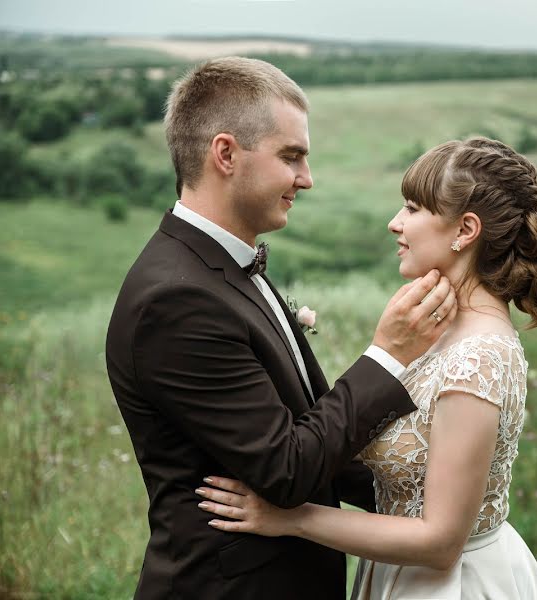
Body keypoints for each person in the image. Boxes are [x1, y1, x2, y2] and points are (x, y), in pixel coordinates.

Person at [105, 56, 458, 599]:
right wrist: (388, 354)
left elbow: (312, 424)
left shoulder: (226, 265)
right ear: (225, 154)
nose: (307, 179)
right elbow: (288, 470)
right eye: (291, 157)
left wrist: (428, 503)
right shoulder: (174, 301)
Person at [196, 136, 537, 599]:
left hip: (453, 584)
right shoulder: (432, 330)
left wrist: (291, 518)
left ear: (465, 230)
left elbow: (441, 542)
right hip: (399, 574)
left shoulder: (479, 357)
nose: (394, 223)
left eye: (412, 208)